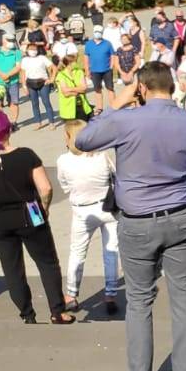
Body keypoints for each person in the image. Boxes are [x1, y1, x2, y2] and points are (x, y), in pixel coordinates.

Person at [76, 62, 186, 371]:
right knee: (183, 293)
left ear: (141, 88)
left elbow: (83, 140)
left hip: (138, 220)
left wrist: (116, 104)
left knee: (139, 299)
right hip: (181, 214)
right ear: (172, 86)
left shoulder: (125, 120)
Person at [0, 111, 68, 324]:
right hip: (31, 214)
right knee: (47, 262)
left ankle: (27, 314)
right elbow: (45, 188)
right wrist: (44, 208)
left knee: (12, 269)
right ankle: (57, 311)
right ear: (8, 130)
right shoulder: (26, 155)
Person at [56, 120, 121, 316]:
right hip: (107, 208)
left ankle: (71, 294)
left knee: (77, 252)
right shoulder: (102, 156)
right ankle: (110, 294)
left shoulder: (63, 161)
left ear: (69, 137)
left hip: (82, 211)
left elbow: (65, 186)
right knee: (111, 252)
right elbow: (115, 177)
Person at [21, 47, 56, 129]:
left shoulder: (42, 58)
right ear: (27, 50)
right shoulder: (25, 60)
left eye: (34, 49)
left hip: (43, 82)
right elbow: (22, 73)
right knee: (34, 103)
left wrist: (52, 79)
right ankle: (38, 122)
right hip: (30, 83)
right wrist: (24, 86)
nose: (33, 51)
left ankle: (51, 122)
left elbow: (53, 67)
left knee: (46, 102)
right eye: (31, 49)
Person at [83, 28, 116, 110]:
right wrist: (87, 70)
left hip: (107, 70)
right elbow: (86, 57)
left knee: (110, 88)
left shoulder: (107, 43)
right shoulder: (88, 44)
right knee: (97, 90)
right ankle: (99, 108)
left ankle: (114, 107)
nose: (98, 33)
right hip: (94, 71)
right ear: (93, 32)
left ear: (102, 33)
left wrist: (111, 66)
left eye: (99, 32)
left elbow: (112, 55)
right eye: (96, 32)